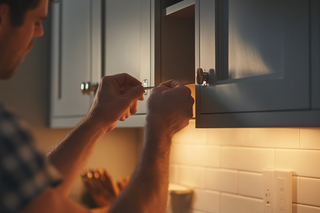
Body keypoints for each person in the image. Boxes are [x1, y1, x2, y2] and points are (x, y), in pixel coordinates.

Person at [0, 0, 194, 212]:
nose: (39, 33)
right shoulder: (5, 130)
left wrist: (98, 119)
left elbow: (42, 193)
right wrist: (161, 129)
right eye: (36, 21)